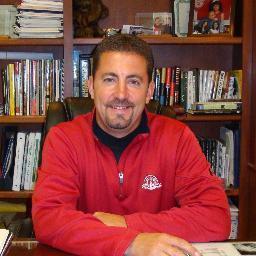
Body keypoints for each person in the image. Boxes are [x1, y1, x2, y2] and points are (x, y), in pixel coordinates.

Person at [32, 34, 231, 256]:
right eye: (109, 79)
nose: (121, 94)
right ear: (90, 86)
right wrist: (130, 244)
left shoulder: (177, 138)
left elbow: (215, 217)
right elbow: (49, 219)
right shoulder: (64, 139)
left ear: (149, 91)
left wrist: (125, 224)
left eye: (134, 81)